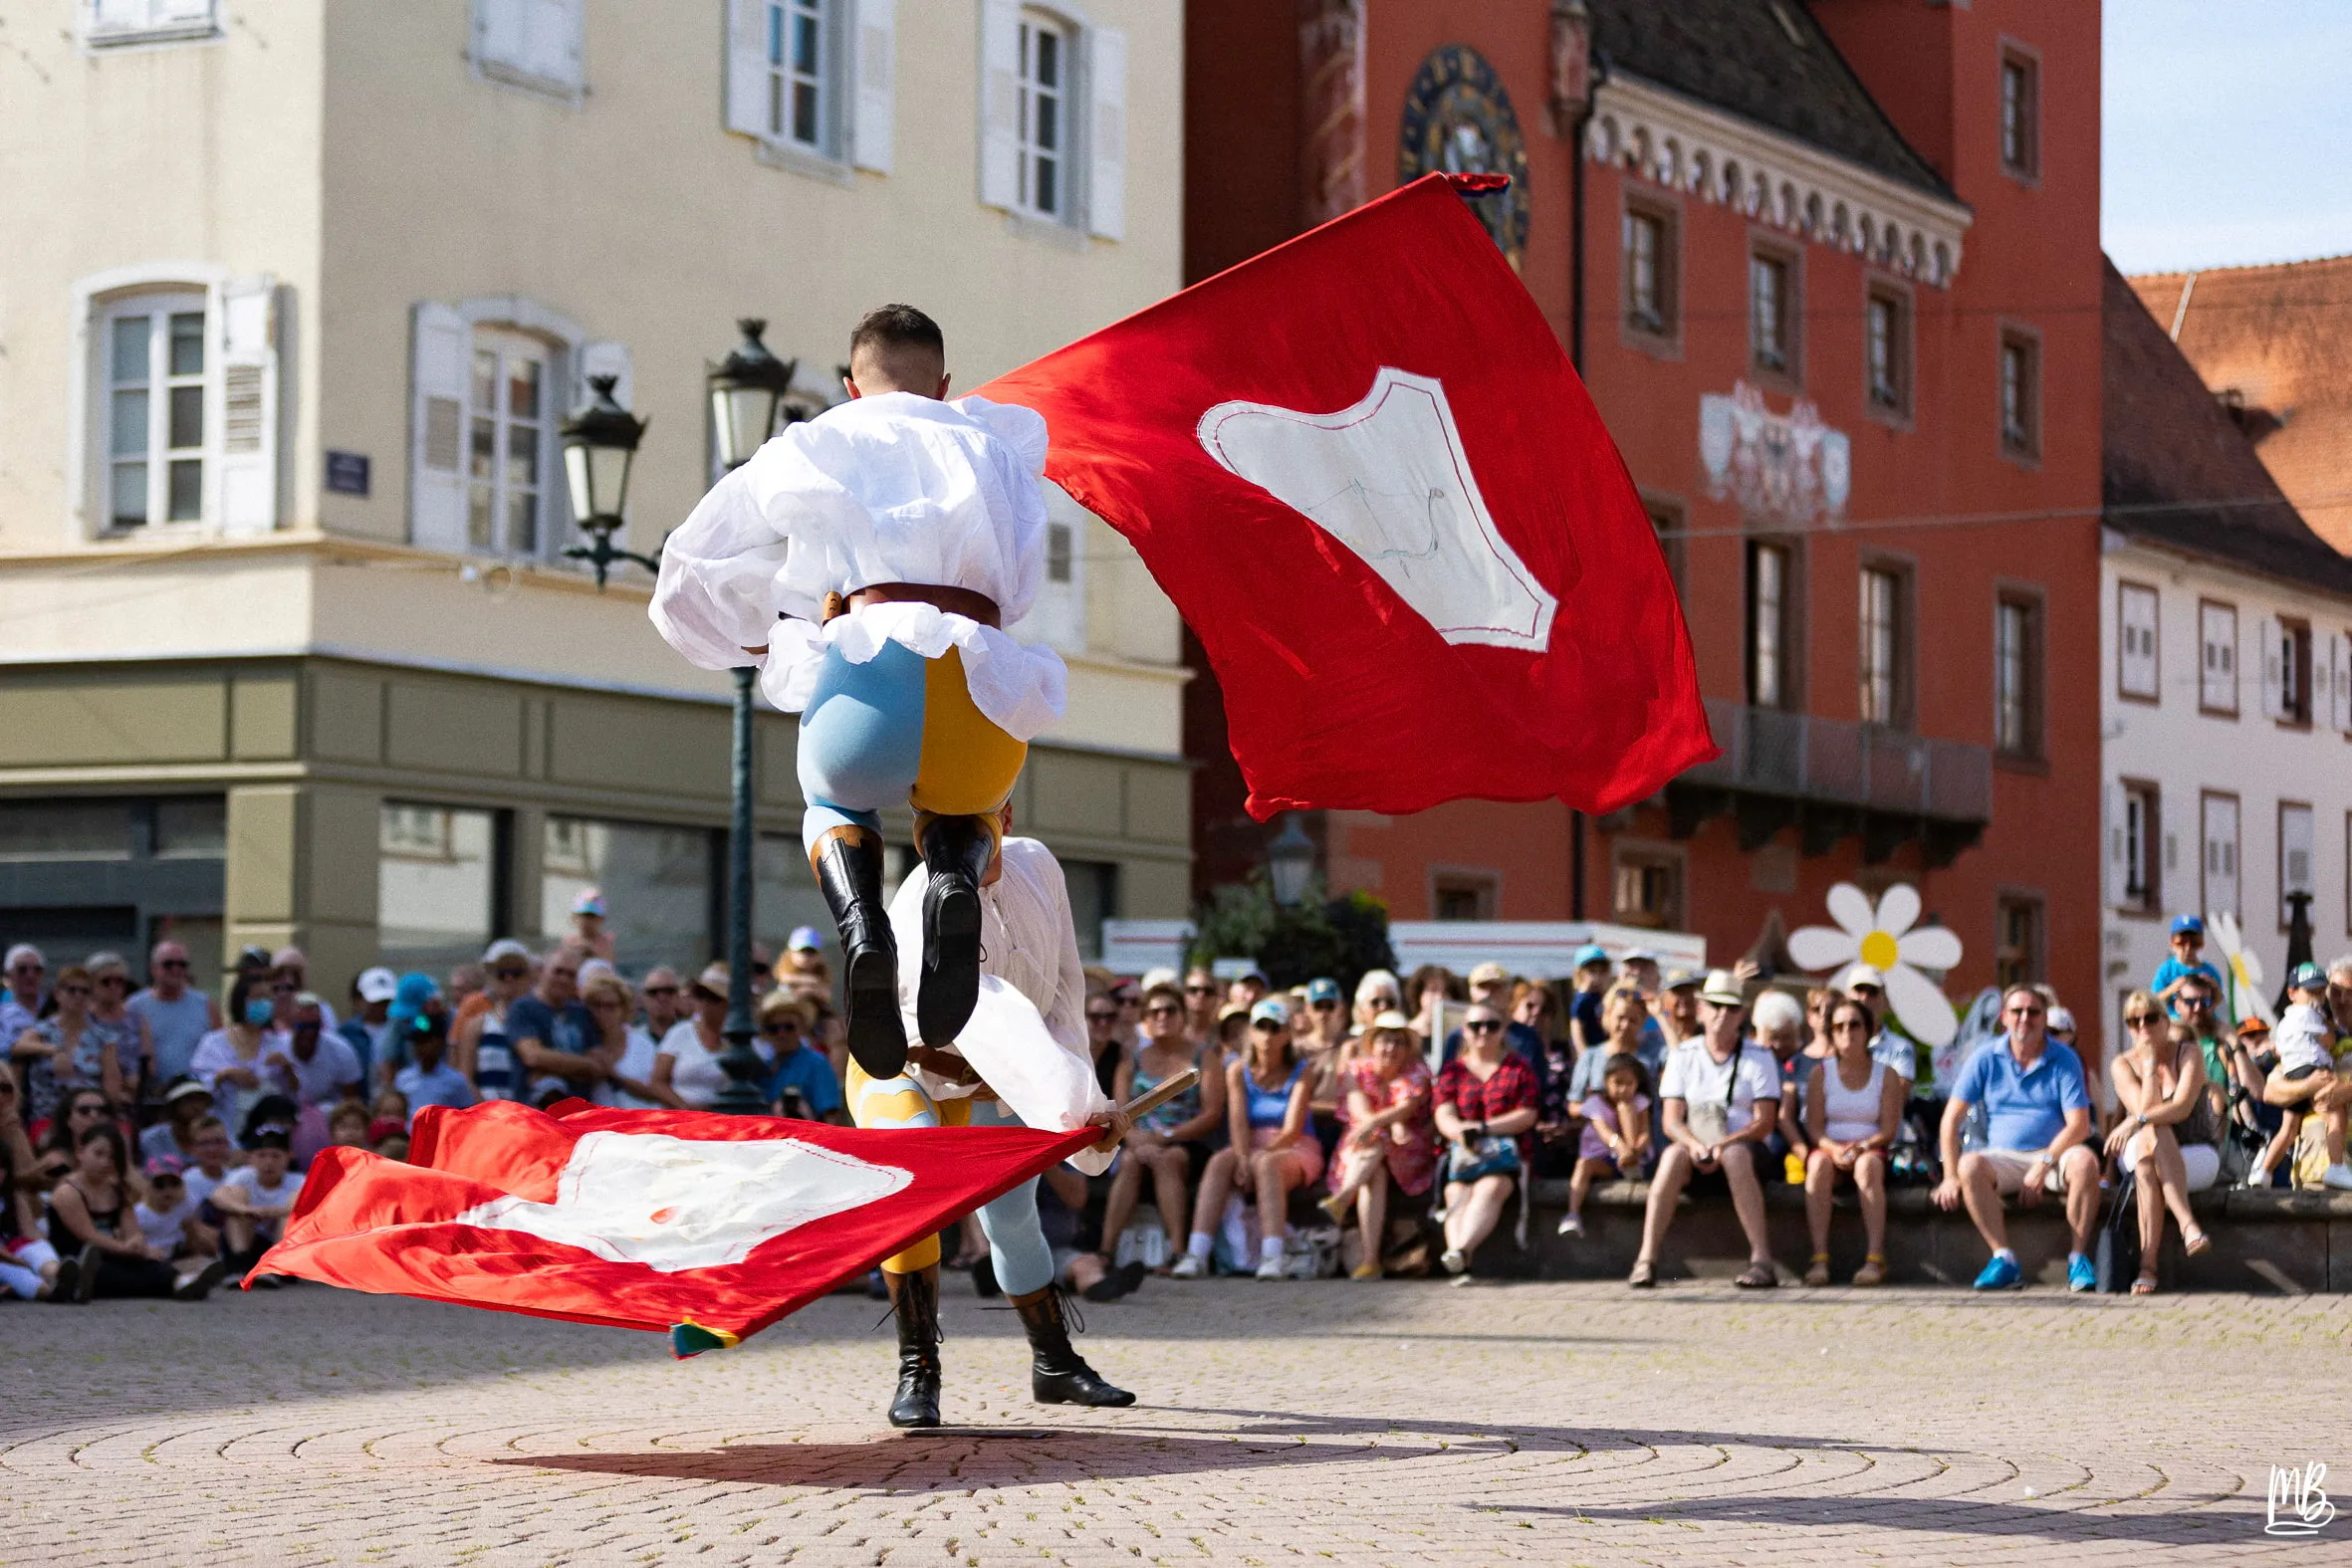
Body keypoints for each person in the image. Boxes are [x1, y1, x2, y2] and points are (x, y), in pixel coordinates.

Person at [652, 305, 1077, 1084]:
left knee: (832, 802)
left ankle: (861, 927)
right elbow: (1021, 593)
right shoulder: (1001, 448)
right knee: (970, 804)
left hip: (865, 675)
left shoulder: (818, 441)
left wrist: (752, 640)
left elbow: (688, 568)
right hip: (976, 686)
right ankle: (953, 877)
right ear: (944, 384)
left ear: (852, 386)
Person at [860, 816, 1133, 1425]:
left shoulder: (1039, 864)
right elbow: (910, 1032)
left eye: (979, 825)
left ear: (1003, 817)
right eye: (947, 829)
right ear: (923, 830)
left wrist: (1083, 1101)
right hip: (910, 1068)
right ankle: (918, 1369)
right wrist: (1026, 1086)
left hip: (1002, 1069)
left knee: (1012, 1219)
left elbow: (1064, 991)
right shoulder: (914, 902)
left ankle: (1055, 1364)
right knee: (916, 1196)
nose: (967, 845)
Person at [1934, 986, 2100, 1290]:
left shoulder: (2065, 1058)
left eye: (2033, 1012)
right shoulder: (1985, 1057)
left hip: (2055, 1153)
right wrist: (1948, 1176)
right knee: (1969, 1166)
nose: (2025, 1018)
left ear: (2044, 1017)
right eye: (2017, 1011)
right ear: (2003, 1018)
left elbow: (2079, 1125)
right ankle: (2003, 1258)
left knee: (2086, 1162)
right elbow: (1951, 1120)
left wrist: (2045, 1162)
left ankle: (2078, 1259)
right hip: (2004, 1156)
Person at [1630, 971, 1781, 1289]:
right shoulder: (1683, 1055)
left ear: (1742, 1014)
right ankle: (1646, 1259)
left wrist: (1724, 1144)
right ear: (1701, 1009)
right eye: (1715, 1005)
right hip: (1697, 1146)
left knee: (1737, 1155)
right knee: (1672, 1155)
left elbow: (1764, 1121)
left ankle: (1762, 1259)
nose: (1722, 1014)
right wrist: (1697, 1145)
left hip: (1745, 1149)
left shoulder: (1759, 1057)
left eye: (1730, 1008)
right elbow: (1671, 1120)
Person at [1184, 998, 1318, 1281]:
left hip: (1295, 1145)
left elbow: (1293, 1129)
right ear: (1252, 1032)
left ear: (1286, 1034)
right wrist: (1244, 1157)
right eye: (1261, 1027)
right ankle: (1196, 1254)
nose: (1268, 1035)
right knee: (1221, 1161)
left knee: (1267, 1164)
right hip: (1251, 1143)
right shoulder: (1236, 1070)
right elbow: (1238, 1121)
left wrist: (1256, 1157)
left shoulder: (1302, 1071)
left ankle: (1273, 1256)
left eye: (1275, 1028)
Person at [1104, 983, 1224, 1273]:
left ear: (1182, 1015)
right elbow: (1120, 1112)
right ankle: (1106, 1251)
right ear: (1145, 1019)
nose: (1162, 1017)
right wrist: (1134, 1138)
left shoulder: (1203, 1057)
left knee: (1169, 1159)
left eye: (1170, 1010)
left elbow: (1211, 1113)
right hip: (1137, 1141)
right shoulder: (1131, 1060)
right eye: (1154, 1011)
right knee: (1131, 1160)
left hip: (1185, 1140)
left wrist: (1166, 1136)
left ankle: (1177, 1253)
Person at [2106, 998, 2219, 1293]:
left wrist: (2135, 1120)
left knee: (2151, 1148)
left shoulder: (2189, 1053)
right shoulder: (2121, 1064)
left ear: (2166, 1022)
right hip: (2141, 1150)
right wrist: (2149, 1067)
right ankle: (2188, 1226)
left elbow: (2181, 1108)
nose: (2143, 1026)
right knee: (2151, 1143)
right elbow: (2145, 1110)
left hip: (2196, 1150)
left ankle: (2148, 1267)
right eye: (2134, 1021)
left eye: (2150, 1018)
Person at [1315, 1011, 1435, 1278]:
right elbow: (1359, 1110)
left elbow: (1406, 1108)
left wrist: (1381, 1125)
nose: (1390, 1048)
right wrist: (1382, 1125)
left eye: (1398, 1042)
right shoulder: (1356, 1069)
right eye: (1384, 1040)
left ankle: (1343, 1198)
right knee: (1375, 1173)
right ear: (1372, 1044)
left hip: (1406, 1151)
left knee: (1377, 1139)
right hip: (1363, 1149)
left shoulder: (1417, 1073)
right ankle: (1370, 1261)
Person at [48, 1123, 224, 1300]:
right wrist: (127, 1249)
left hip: (114, 1253)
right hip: (80, 1257)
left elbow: (132, 1230)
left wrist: (137, 1244)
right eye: (98, 1154)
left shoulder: (116, 1190)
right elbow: (89, 1235)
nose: (105, 1162)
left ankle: (182, 1282)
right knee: (107, 1273)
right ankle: (174, 1284)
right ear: (80, 1152)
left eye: (111, 1157)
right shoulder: (67, 1192)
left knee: (153, 1265)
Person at [1430, 1003, 1540, 1284]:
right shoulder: (1452, 1071)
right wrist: (1462, 1134)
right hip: (1463, 1155)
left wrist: (1482, 1130)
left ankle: (1460, 1252)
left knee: (1491, 1188)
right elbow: (1443, 1112)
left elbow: (1528, 1114)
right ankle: (1461, 1260)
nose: (1483, 1032)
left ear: (1503, 1030)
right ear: (1464, 1031)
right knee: (1455, 1192)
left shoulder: (1519, 1069)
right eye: (1475, 1026)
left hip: (1505, 1159)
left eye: (1491, 1025)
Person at [1800, 997, 1905, 1286]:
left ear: (1869, 1030)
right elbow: (1815, 1128)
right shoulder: (1819, 1074)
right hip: (1830, 1148)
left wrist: (1862, 1146)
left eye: (1855, 1025)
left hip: (1870, 1148)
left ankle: (1875, 1257)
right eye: (1839, 1026)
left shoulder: (1887, 1075)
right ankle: (1819, 1257)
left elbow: (1888, 1129)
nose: (1848, 1032)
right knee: (1817, 1164)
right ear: (1831, 1032)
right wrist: (1834, 1149)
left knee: (1867, 1167)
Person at [2257, 964, 2352, 1190]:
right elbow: (2270, 1093)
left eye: (2350, 992)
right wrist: (2309, 1087)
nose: (2342, 1000)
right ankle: (2262, 1172)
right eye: (2336, 992)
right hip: (2312, 1175)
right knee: (2287, 1128)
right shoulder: (2304, 1036)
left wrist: (2347, 1090)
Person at [11, 966, 125, 1129]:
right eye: (72, 990)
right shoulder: (43, 1030)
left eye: (85, 991)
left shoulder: (103, 1037)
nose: (78, 996)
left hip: (90, 1117)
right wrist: (54, 1050)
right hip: (48, 1116)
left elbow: (112, 1086)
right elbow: (16, 1047)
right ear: (58, 994)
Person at [0, 1072, 77, 1301]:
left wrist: (12, 1132)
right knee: (17, 1271)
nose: (2, 1096)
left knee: (35, 1247)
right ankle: (51, 1290)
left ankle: (59, 1274)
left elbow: (28, 1184)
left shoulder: (12, 1127)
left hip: (12, 1239)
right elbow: (29, 1177)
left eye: (6, 1089)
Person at [1558, 1052, 1651, 1239]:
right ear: (1606, 1082)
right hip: (1604, 1160)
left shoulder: (1639, 1102)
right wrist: (1621, 1148)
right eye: (1618, 1082)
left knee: (1626, 1107)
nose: (1623, 1089)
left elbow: (1644, 1134)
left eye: (1629, 1083)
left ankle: (1631, 1167)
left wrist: (1633, 1151)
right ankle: (1573, 1214)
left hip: (1632, 1158)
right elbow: (1605, 1132)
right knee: (1583, 1165)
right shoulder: (1594, 1104)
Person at [506, 948, 610, 1108]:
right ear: (541, 972)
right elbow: (533, 1056)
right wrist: (584, 1065)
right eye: (558, 971)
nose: (564, 979)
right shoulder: (523, 1008)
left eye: (571, 974)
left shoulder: (581, 1012)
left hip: (579, 1114)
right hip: (536, 1112)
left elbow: (598, 1066)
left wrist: (548, 1067)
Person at [189, 973, 291, 1137]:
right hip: (224, 1132)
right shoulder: (213, 1043)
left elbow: (293, 1093)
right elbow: (197, 1087)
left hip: (266, 1136)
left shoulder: (279, 1044)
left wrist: (288, 1069)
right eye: (257, 998)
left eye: (268, 998)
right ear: (241, 1000)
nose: (264, 1003)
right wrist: (226, 1074)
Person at [211, 1127, 305, 1282]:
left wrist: (270, 1212)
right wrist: (247, 1210)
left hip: (281, 1248)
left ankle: (276, 1268)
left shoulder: (297, 1180)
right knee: (236, 1209)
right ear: (251, 1158)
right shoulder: (243, 1176)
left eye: (276, 1156)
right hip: (249, 1243)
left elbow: (301, 1207)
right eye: (262, 1155)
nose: (269, 1162)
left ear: (288, 1157)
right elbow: (217, 1197)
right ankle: (239, 1265)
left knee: (291, 1216)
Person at [127, 941, 218, 1097]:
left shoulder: (206, 1005)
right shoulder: (134, 1007)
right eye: (168, 964)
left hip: (195, 1095)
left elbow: (218, 1052)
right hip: (153, 1096)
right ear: (153, 969)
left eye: (182, 965)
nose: (176, 970)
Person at [453, 939, 534, 1102]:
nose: (509, 978)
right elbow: (465, 1077)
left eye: (516, 972)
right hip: (490, 1117)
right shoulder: (477, 1025)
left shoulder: (538, 1020)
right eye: (501, 973)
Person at [652, 965, 741, 1111]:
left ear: (728, 1004)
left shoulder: (737, 1039)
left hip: (723, 1121)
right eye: (701, 995)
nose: (705, 1002)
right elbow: (657, 1082)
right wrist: (685, 1108)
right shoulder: (679, 1032)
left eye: (713, 997)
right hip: (679, 1120)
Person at [760, 991, 847, 1122]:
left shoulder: (816, 1063)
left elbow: (831, 1116)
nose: (781, 1034)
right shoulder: (763, 1067)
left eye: (789, 1027)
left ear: (801, 1027)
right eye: (774, 1029)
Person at [1752, 991, 1812, 1181]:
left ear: (1797, 1031)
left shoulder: (1811, 1061)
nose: (1778, 1045)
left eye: (1785, 1037)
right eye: (1773, 1038)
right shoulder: (1755, 1060)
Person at [270, 993, 363, 1111]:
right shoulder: (276, 1048)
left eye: (314, 1026)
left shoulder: (341, 1050)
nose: (309, 1033)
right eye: (303, 1026)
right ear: (292, 1025)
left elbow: (352, 1102)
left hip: (329, 1117)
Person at [84, 952, 152, 1110]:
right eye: (106, 981)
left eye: (119, 981)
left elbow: (149, 1062)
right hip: (93, 1097)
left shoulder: (137, 1020)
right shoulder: (84, 1019)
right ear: (92, 983)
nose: (113, 986)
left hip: (134, 1099)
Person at [392, 1010, 477, 1126]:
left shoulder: (455, 1081)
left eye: (426, 1041)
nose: (420, 1047)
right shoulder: (402, 1078)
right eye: (417, 1042)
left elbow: (467, 1117)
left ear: (440, 1042)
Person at [134, 1156, 218, 1267]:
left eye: (174, 1184)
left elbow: (192, 1234)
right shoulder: (139, 1213)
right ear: (149, 1186)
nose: (167, 1190)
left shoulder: (186, 1204)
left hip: (179, 1252)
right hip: (152, 1259)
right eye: (160, 1185)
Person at [2152, 915, 2227, 1018]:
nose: (2187, 948)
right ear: (2172, 943)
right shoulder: (2166, 970)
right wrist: (2173, 988)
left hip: (2205, 1022)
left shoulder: (2210, 971)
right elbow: (2154, 1001)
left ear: (2202, 944)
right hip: (2177, 1024)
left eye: (2194, 943)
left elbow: (2219, 1000)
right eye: (2181, 942)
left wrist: (2214, 987)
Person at [342, 967, 399, 1090]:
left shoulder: (400, 1029)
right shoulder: (347, 1033)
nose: (381, 1007)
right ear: (361, 999)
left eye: (386, 1001)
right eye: (376, 1002)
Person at [139, 1078, 215, 1164]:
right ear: (173, 1106)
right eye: (189, 1100)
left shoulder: (215, 1140)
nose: (196, 1106)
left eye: (201, 1100)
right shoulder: (150, 1138)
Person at [269, 948, 340, 1032]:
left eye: (295, 973)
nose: (282, 994)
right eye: (280, 972)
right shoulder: (264, 1009)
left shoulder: (321, 1010)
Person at [1, 944, 47, 1043]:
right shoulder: (2, 1016)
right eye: (22, 970)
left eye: (37, 970)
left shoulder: (57, 1009)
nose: (30, 975)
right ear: (9, 975)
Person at [1182, 968, 1223, 1043]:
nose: (1201, 995)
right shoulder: (1171, 1032)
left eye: (1208, 991)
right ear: (1184, 995)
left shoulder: (1226, 1035)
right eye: (1193, 990)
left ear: (1216, 997)